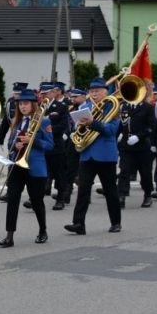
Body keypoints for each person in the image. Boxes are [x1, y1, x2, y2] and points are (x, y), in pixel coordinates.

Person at [64, 78, 122, 235]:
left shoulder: (113, 107)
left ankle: (116, 222)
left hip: (105, 155)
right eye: (92, 91)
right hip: (87, 155)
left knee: (110, 191)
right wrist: (77, 127)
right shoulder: (86, 106)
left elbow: (110, 131)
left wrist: (92, 122)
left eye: (97, 91)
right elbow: (79, 129)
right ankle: (78, 223)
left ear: (105, 92)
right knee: (83, 190)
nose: (94, 93)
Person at [0, 89, 53, 248]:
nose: (22, 107)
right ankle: (9, 236)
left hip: (35, 167)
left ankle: (43, 230)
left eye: (26, 103)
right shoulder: (17, 122)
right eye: (20, 104)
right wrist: (14, 145)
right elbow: (10, 143)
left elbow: (50, 145)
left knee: (37, 201)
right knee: (12, 201)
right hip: (17, 165)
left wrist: (33, 140)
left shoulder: (44, 121)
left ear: (33, 104)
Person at [116, 94, 155, 208]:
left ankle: (148, 194)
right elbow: (121, 123)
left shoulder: (148, 107)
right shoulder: (124, 106)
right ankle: (121, 196)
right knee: (124, 171)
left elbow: (151, 126)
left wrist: (139, 136)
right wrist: (120, 134)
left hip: (142, 146)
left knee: (145, 172)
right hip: (126, 145)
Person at [43, 82, 70, 210]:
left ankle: (60, 199)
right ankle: (35, 198)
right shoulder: (39, 108)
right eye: (42, 93)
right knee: (42, 173)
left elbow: (64, 125)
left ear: (54, 93)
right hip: (43, 146)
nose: (44, 96)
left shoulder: (61, 106)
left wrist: (50, 129)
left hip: (56, 146)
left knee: (59, 174)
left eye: (47, 93)